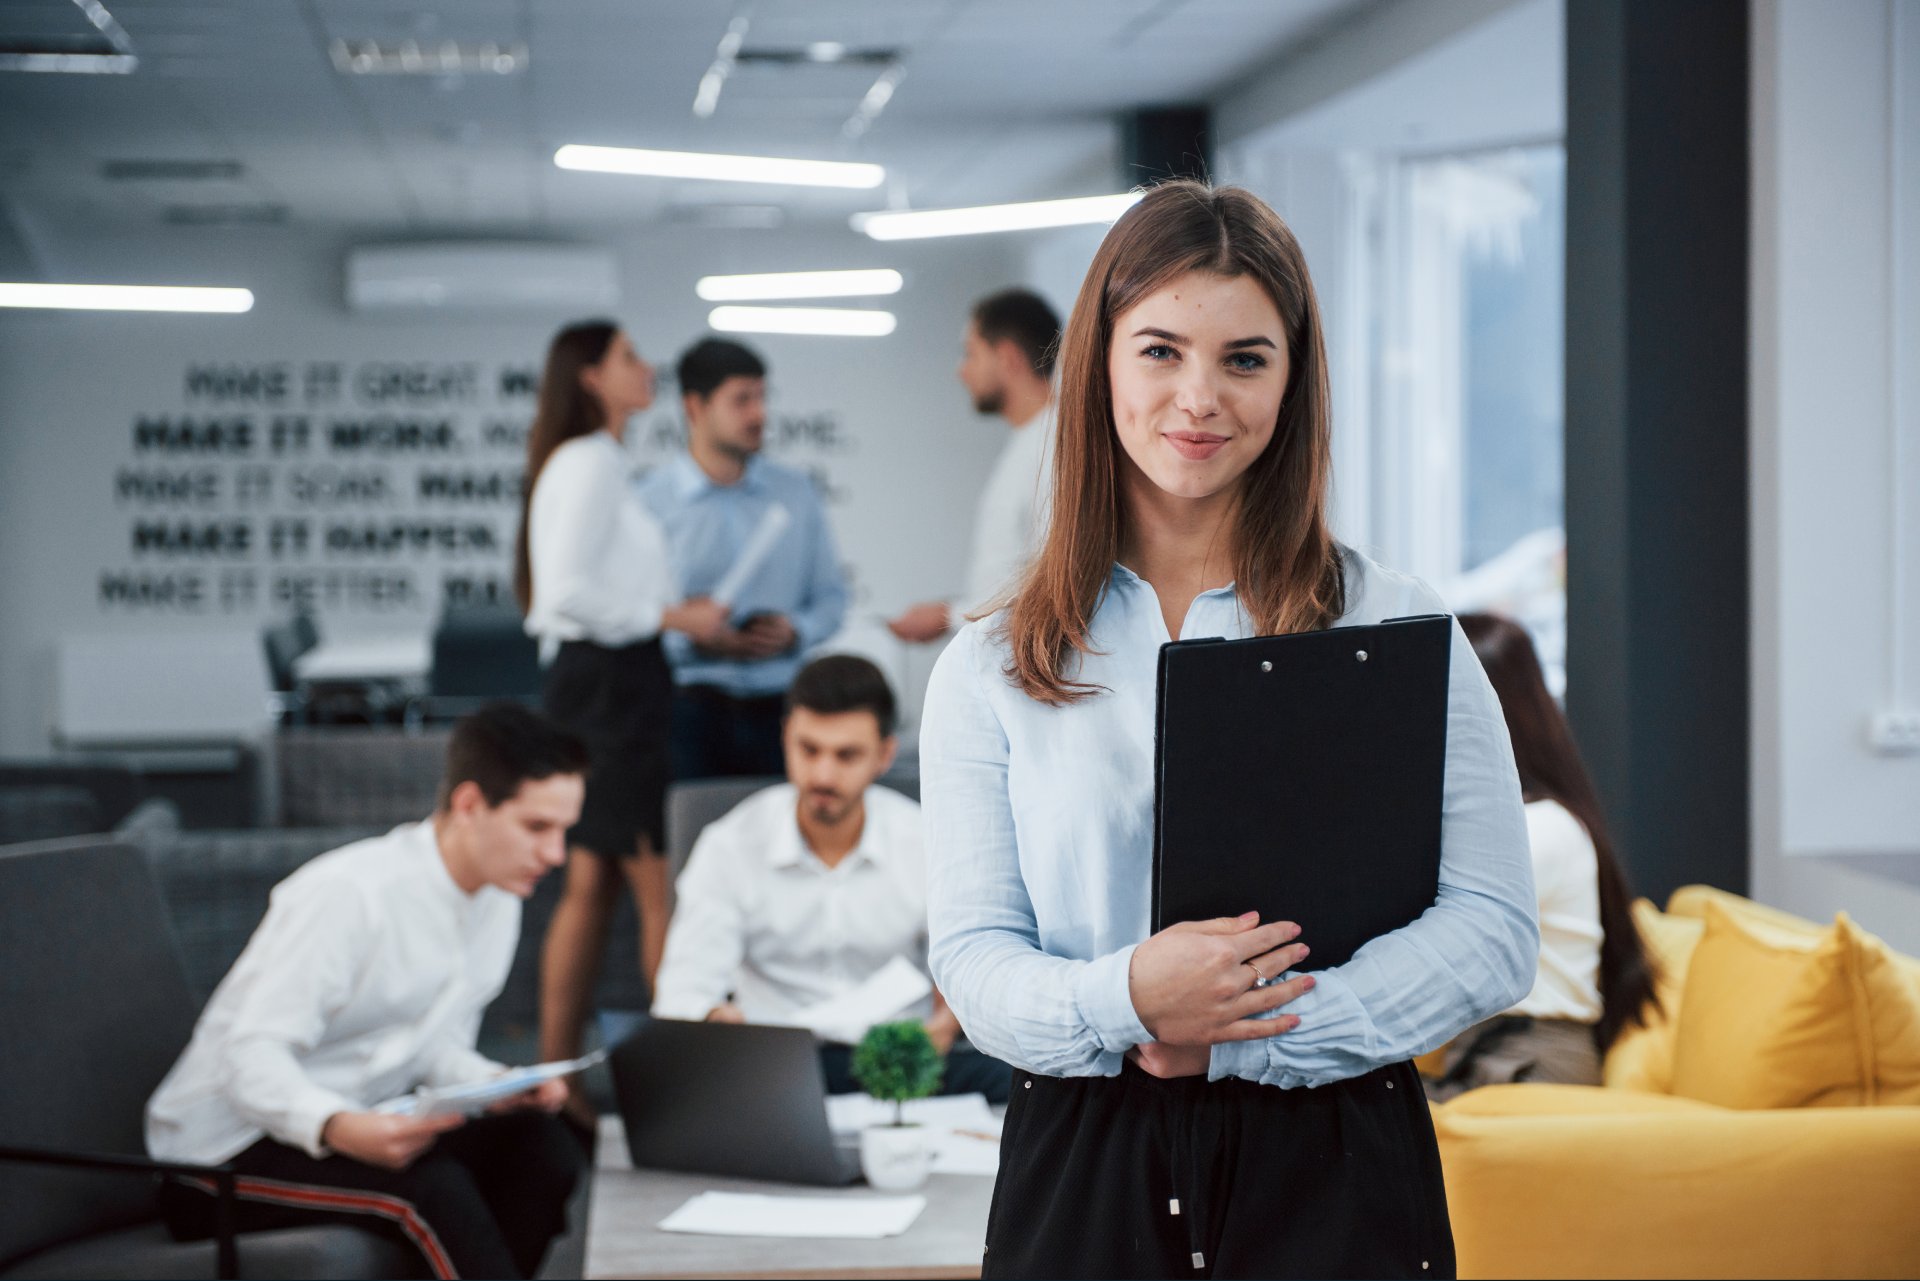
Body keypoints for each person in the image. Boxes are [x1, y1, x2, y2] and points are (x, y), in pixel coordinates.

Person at [919, 180, 1539, 1280]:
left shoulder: (1397, 627)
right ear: (1099, 362)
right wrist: (1127, 1000)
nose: (1198, 398)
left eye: (1244, 359)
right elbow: (972, 961)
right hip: (1085, 1163)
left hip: (1337, 1159)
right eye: (1159, 350)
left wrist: (1261, 1038)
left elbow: (1492, 929)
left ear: (1293, 379)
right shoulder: (993, 663)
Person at [146, 704, 592, 1281]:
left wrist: (493, 1086)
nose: (556, 856)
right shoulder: (350, 894)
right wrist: (336, 1126)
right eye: (537, 828)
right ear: (469, 806)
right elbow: (248, 1055)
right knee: (428, 1190)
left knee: (542, 1148)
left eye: (564, 831)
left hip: (357, 1117)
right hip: (221, 1153)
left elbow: (432, 1048)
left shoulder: (497, 897)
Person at [515, 320, 728, 1106]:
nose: (648, 368)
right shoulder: (589, 463)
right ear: (590, 378)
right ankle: (692, 1087)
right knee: (652, 885)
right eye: (630, 357)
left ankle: (556, 1080)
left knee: (595, 883)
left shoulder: (595, 462)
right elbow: (563, 593)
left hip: (607, 684)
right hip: (609, 688)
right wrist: (673, 618)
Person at [652, 654, 1013, 1103]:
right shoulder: (729, 845)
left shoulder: (925, 838)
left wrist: (948, 1020)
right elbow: (682, 993)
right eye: (809, 749)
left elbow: (977, 960)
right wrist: (711, 1018)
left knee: (1015, 1078)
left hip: (905, 1055)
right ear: (785, 737)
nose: (823, 774)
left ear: (883, 755)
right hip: (779, 1067)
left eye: (846, 755)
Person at [1421, 613, 1660, 1100]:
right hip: (1492, 1054)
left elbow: (1425, 921)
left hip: (1534, 1064)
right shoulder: (1526, 819)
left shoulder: (1541, 828)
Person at [637, 338, 850, 779]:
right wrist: (692, 635)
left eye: (762, 397)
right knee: (690, 837)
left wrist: (794, 631)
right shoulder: (648, 505)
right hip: (687, 708)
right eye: (741, 401)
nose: (759, 414)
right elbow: (632, 615)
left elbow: (831, 598)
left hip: (785, 709)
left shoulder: (796, 493)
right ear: (695, 407)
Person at [889, 288, 1061, 642]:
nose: (961, 372)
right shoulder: (1031, 440)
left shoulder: (1055, 445)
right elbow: (1012, 573)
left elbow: (1060, 579)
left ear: (1008, 358)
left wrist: (947, 617)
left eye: (971, 354)